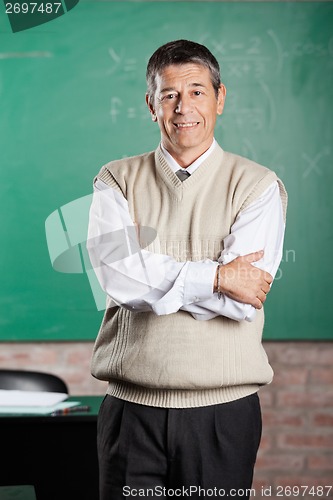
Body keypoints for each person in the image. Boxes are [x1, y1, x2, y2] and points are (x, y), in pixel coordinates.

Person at [87, 39, 287, 500]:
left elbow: (244, 303)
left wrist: (153, 279)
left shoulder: (257, 185)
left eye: (197, 92)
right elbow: (118, 278)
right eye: (169, 95)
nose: (183, 108)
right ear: (151, 105)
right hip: (130, 413)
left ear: (220, 98)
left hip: (222, 415)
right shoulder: (115, 179)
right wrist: (217, 276)